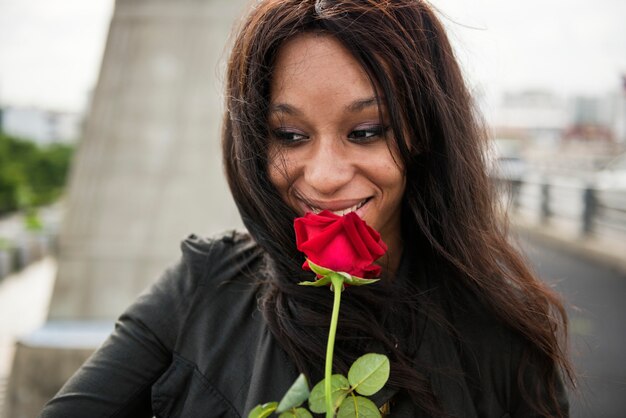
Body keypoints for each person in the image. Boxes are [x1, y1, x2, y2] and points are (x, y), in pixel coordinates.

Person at [41, 0, 574, 417]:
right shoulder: (203, 287)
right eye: (290, 135)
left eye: (365, 132)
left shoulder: (501, 337)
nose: (322, 175)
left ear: (427, 135)